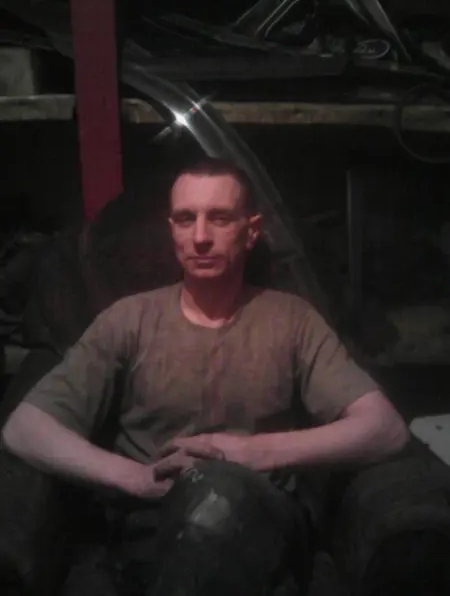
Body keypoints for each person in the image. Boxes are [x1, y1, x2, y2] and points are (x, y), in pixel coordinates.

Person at [1, 158, 409, 594]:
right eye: (185, 219)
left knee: (221, 497)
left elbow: (384, 429)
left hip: (261, 521)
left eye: (219, 218)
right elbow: (26, 427)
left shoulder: (292, 320)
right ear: (171, 230)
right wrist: (132, 476)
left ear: (251, 231)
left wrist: (248, 453)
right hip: (151, 525)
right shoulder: (129, 319)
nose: (199, 237)